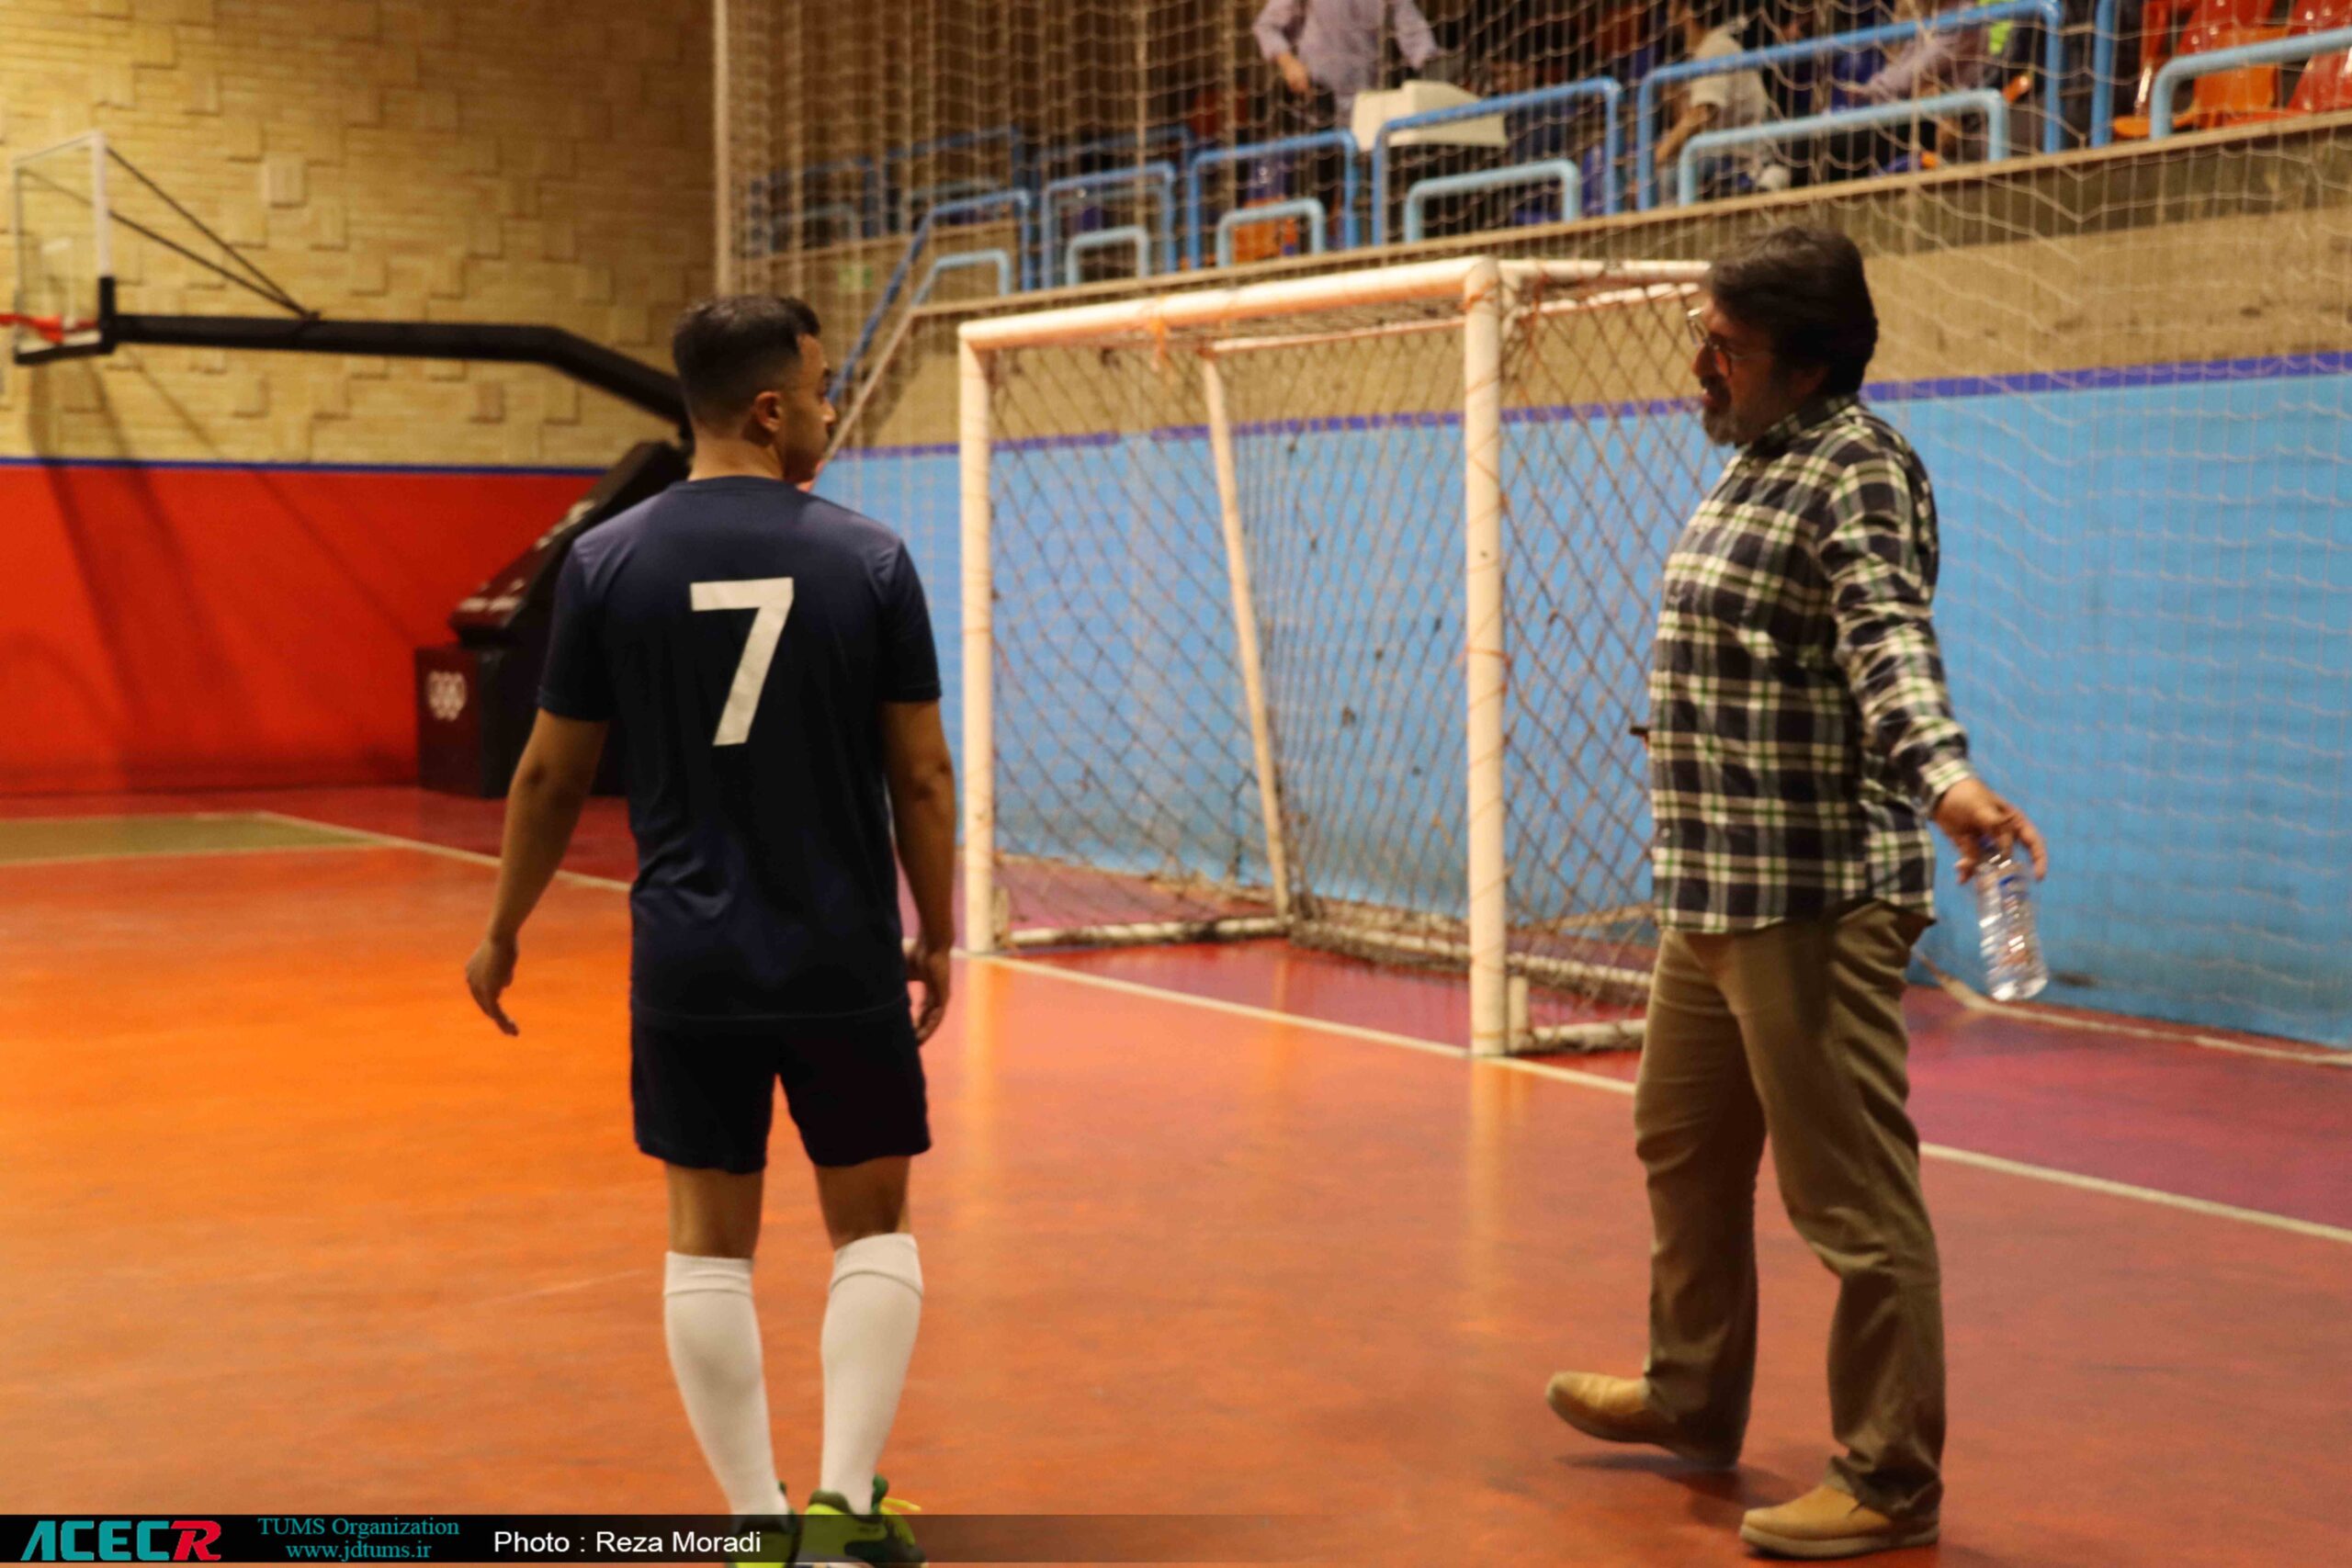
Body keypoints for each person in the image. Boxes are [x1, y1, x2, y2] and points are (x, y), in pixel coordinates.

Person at [1544, 227, 2047, 1560]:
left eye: (1726, 346)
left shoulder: (1855, 467)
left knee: (1852, 1203)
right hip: (1714, 886)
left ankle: (1888, 1477)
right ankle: (1691, 1390)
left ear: (1810, 362)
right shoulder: (1758, 458)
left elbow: (1886, 636)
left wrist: (1946, 778)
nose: (1697, 366)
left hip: (1811, 899)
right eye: (1703, 337)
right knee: (1681, 1142)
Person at [464, 295, 956, 1566]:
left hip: (689, 958)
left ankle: (754, 1523)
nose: (834, 410)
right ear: (771, 408)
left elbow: (548, 775)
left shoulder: (606, 561)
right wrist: (940, 929)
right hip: (838, 950)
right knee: (873, 1225)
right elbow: (920, 776)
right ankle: (844, 1510)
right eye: (825, 388)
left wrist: (505, 926)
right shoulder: (871, 559)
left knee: (706, 1244)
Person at [1654, 0, 1790, 203]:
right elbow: (1688, 119)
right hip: (1716, 153)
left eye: (1672, 5)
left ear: (1687, 11)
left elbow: (1702, 113)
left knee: (1666, 178)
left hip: (1740, 158)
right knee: (1635, 172)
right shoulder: (1698, 53)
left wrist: (1657, 158)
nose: (1668, 11)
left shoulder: (1716, 48)